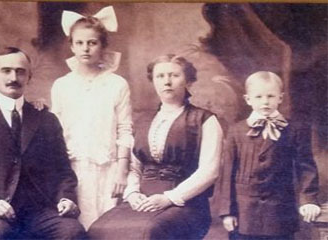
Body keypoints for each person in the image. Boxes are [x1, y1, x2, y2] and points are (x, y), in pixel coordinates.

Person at [0, 47, 86, 240]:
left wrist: (66, 198)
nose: (13, 77)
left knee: (72, 232)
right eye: (6, 71)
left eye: (20, 71)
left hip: (37, 211)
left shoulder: (46, 120)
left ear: (29, 76)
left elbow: (62, 170)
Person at [88, 54, 223, 239]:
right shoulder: (143, 121)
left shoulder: (205, 120)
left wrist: (169, 198)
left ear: (188, 81)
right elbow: (135, 167)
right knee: (98, 229)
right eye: (160, 76)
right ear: (153, 81)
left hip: (186, 203)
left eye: (174, 75)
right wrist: (133, 193)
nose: (167, 82)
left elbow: (210, 171)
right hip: (143, 200)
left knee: (151, 231)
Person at [51, 6, 133, 229]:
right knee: (74, 228)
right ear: (71, 46)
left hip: (108, 169)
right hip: (70, 171)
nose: (85, 49)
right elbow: (54, 130)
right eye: (79, 43)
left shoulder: (117, 84)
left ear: (103, 46)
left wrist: (121, 170)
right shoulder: (61, 85)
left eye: (92, 42)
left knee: (107, 226)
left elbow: (125, 129)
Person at [218, 71, 321, 240]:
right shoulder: (237, 131)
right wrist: (227, 212)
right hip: (244, 214)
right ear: (248, 99)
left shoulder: (295, 129)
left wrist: (308, 199)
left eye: (271, 96)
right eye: (259, 97)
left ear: (280, 98)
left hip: (280, 211)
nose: (265, 101)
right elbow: (227, 173)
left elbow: (306, 167)